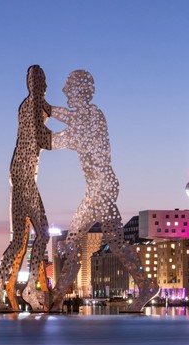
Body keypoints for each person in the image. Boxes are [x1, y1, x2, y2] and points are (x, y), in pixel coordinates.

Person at [50, 70, 159, 311]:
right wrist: (47, 109)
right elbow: (68, 116)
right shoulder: (87, 115)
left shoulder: (90, 116)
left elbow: (57, 140)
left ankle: (146, 285)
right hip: (97, 189)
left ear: (79, 90)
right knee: (76, 241)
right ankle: (56, 296)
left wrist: (42, 120)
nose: (66, 91)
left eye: (69, 87)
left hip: (102, 188)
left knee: (108, 241)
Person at [0, 65, 52, 312]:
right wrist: (72, 139)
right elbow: (44, 139)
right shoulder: (31, 106)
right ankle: (19, 291)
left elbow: (50, 113)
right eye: (38, 82)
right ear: (31, 85)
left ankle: (11, 293)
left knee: (26, 240)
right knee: (28, 239)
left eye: (43, 81)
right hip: (23, 176)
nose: (43, 86)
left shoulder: (35, 105)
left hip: (23, 176)